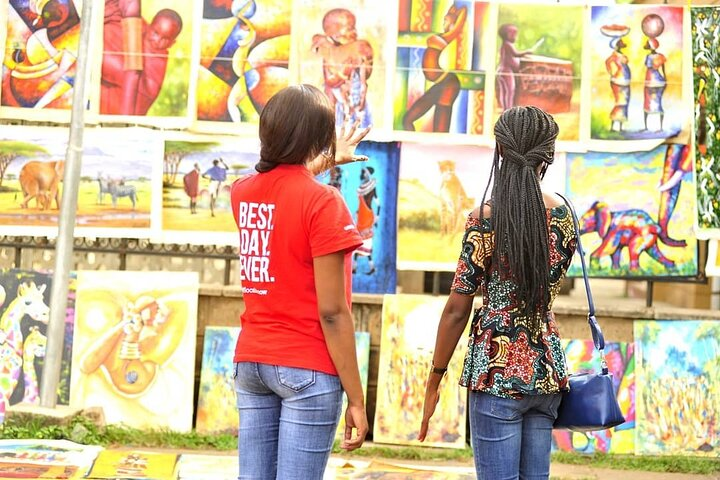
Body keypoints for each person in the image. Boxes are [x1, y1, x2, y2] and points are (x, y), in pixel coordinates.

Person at [419, 106, 577, 480]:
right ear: (548, 156)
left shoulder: (485, 219)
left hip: (496, 372)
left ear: (501, 151)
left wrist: (434, 379)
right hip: (546, 373)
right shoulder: (564, 217)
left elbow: (458, 308)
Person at [230, 84, 371, 480]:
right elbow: (332, 312)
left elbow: (284, 183)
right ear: (318, 138)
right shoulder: (325, 202)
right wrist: (357, 399)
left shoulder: (242, 193)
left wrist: (322, 160)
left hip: (252, 364)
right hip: (306, 369)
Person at [100, 0, 183, 115]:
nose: (157, 41)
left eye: (165, 39)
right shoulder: (140, 27)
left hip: (119, 111)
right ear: (150, 26)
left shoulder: (158, 62)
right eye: (155, 33)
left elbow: (142, 86)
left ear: (172, 43)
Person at [402, 4, 466, 132]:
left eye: (447, 21)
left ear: (453, 23)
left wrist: (457, 12)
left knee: (440, 132)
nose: (444, 23)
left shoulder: (449, 35)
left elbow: (462, 18)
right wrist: (451, 12)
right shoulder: (442, 35)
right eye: (444, 20)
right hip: (441, 83)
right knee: (407, 120)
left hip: (448, 83)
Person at [311, 8, 374, 127]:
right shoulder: (329, 54)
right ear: (334, 34)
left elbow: (367, 74)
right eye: (350, 28)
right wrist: (346, 70)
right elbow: (331, 81)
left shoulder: (358, 49)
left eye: (354, 27)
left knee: (360, 124)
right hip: (337, 105)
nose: (354, 31)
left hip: (356, 101)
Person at [605, 36, 631, 132]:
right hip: (618, 82)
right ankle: (613, 126)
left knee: (624, 103)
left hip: (625, 82)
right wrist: (612, 73)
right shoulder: (614, 56)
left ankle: (620, 126)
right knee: (619, 102)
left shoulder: (621, 55)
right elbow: (607, 62)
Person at [643, 37, 666, 132]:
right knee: (658, 103)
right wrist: (665, 78)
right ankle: (660, 127)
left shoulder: (649, 57)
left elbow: (648, 66)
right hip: (659, 80)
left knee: (647, 102)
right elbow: (663, 69)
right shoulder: (660, 56)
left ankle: (646, 127)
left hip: (650, 80)